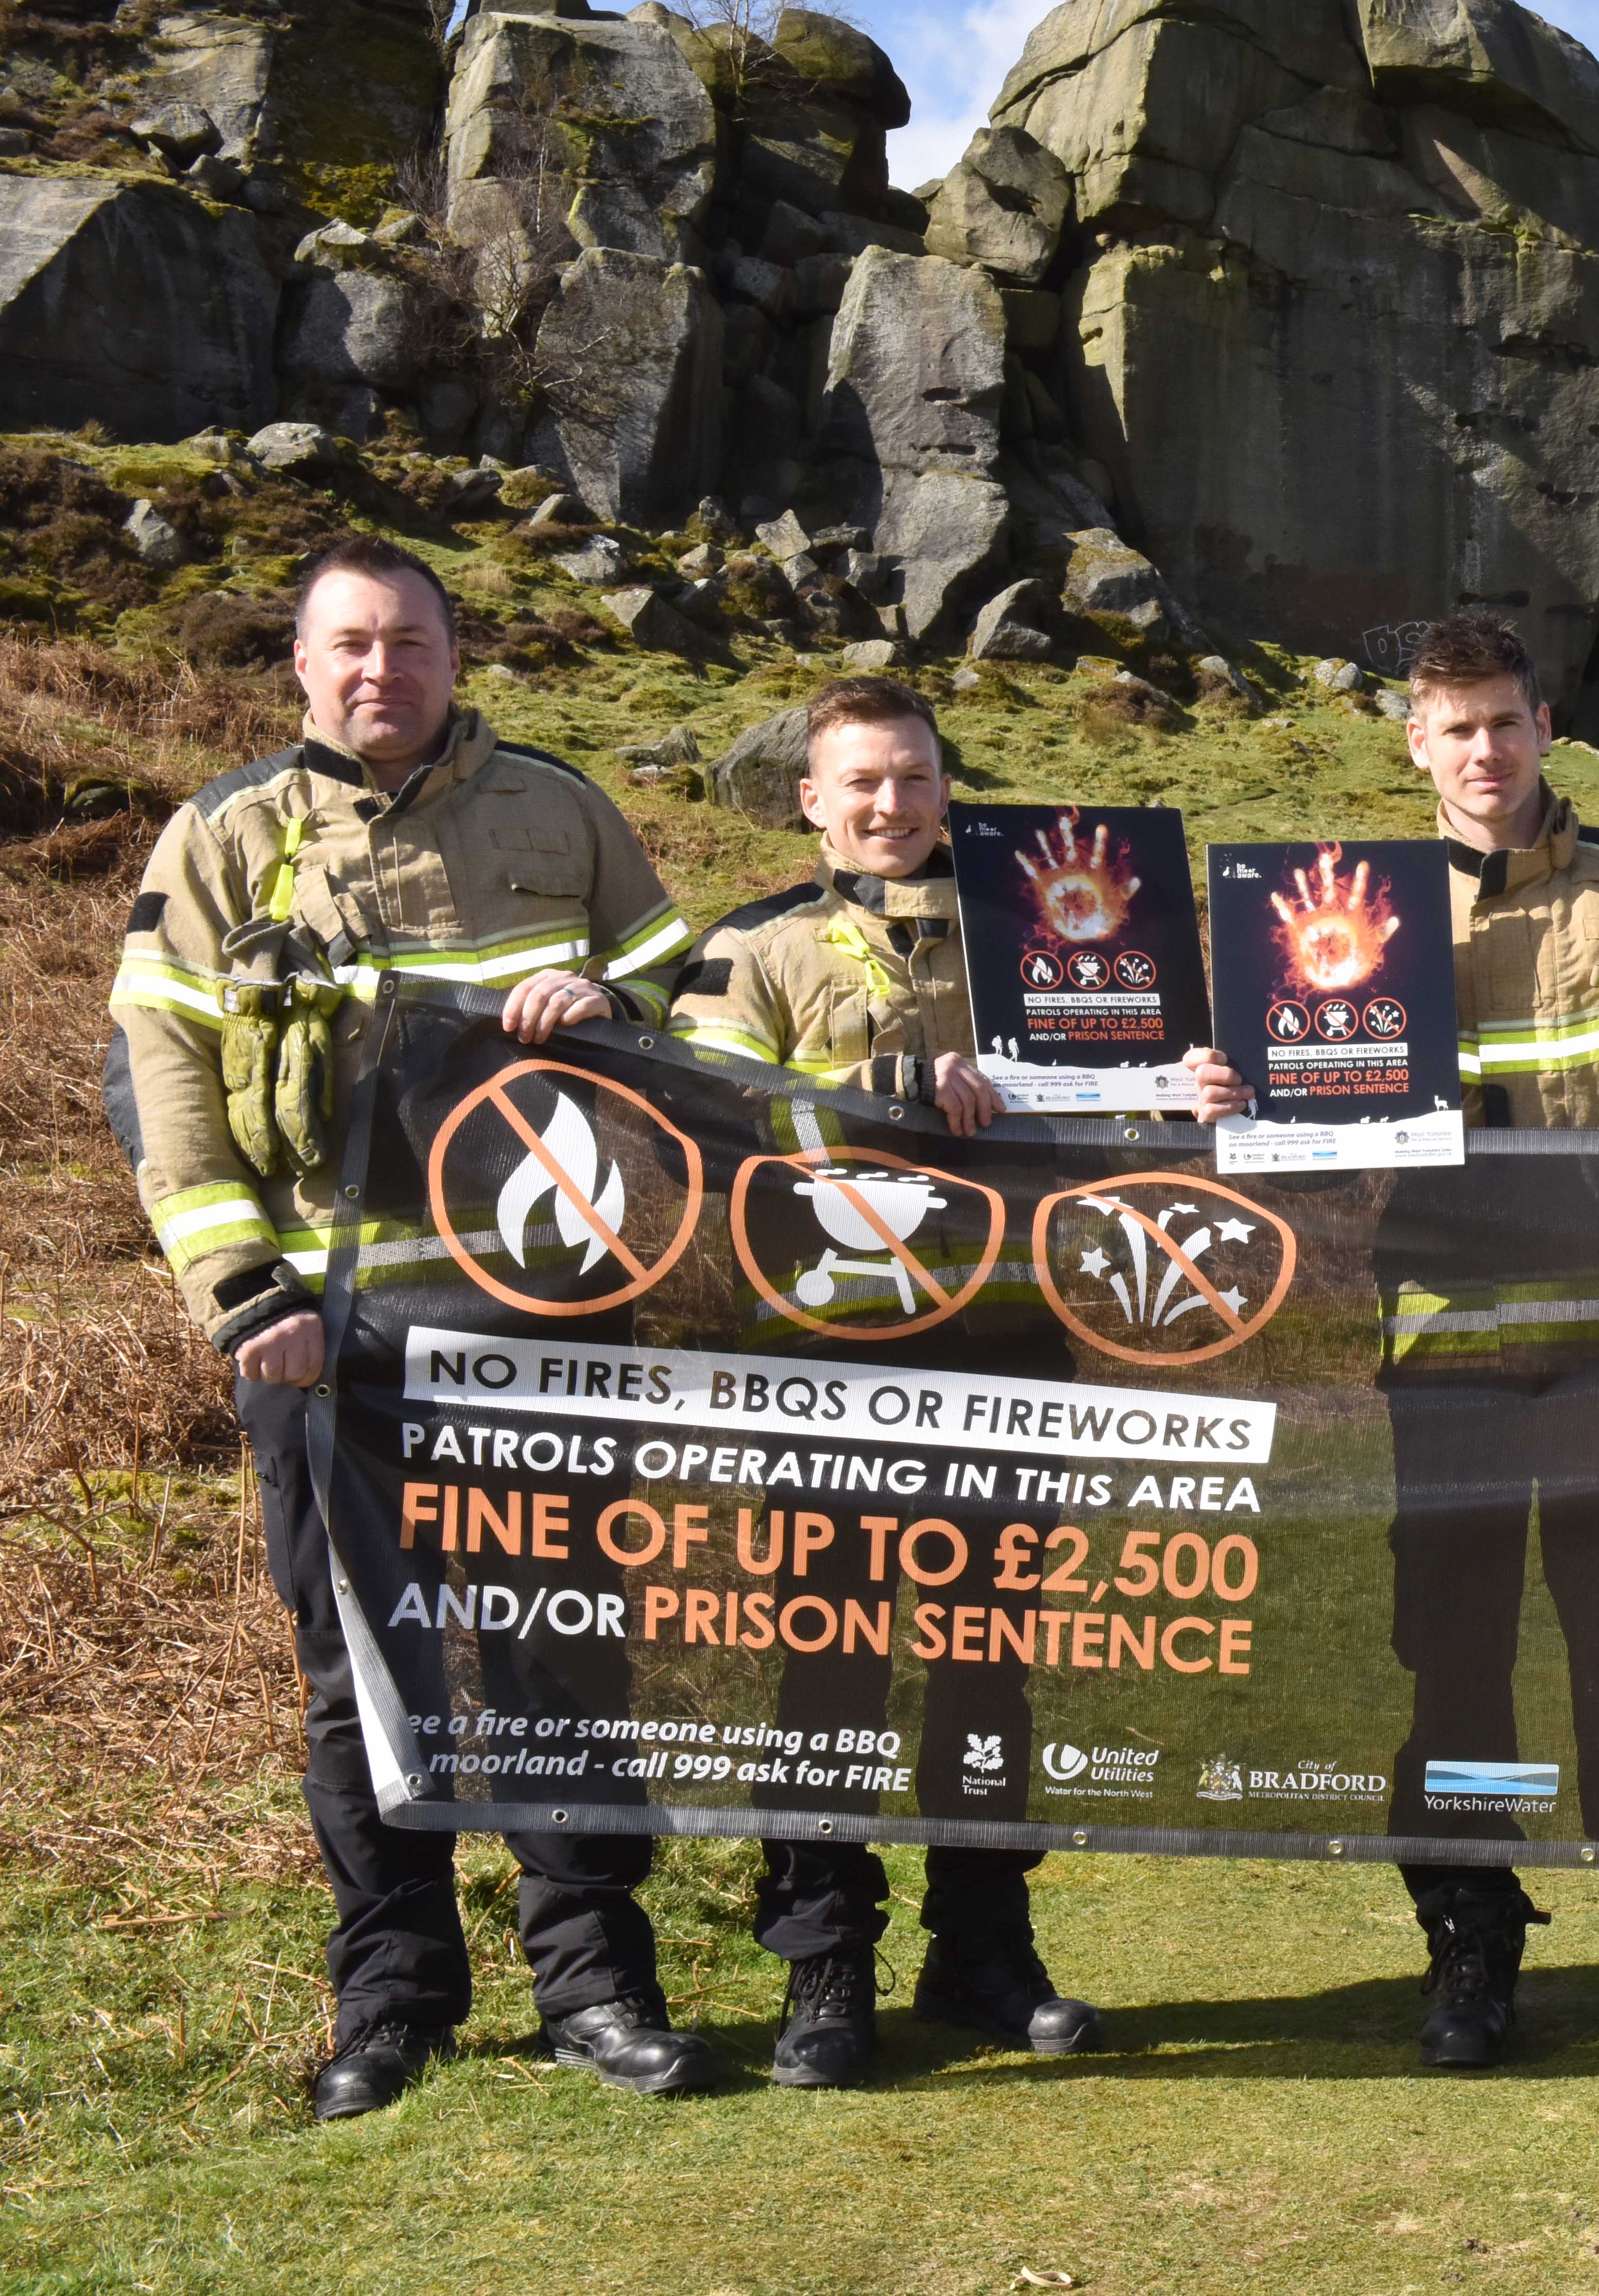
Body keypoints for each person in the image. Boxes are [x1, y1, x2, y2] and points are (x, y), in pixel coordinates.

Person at [104, 534, 713, 2120]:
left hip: (538, 1321)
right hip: (326, 1334)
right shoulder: (225, 837)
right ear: (303, 665)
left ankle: (597, 1984)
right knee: (359, 1671)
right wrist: (247, 1295)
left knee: (559, 1650)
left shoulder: (564, 812)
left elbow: (696, 1008)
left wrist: (623, 1019)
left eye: (415, 643)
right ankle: (391, 1998)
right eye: (352, 645)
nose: (386, 670)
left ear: (458, 656)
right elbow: (160, 1085)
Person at [1189, 616, 1599, 2070]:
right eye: (1452, 729)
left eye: (1504, 723)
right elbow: (1295, 1171)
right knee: (1456, 1667)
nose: (1483, 752)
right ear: (1414, 743)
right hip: (1443, 1353)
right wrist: (1224, 1100)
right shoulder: (1334, 918)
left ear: (1544, 724)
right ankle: (1472, 1946)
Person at [670, 676, 1105, 2088]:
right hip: (831, 1356)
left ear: (943, 785)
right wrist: (899, 1088)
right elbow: (705, 1127)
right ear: (810, 798)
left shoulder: (1038, 930)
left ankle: (984, 1949)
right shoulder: (752, 947)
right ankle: (824, 1966)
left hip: (1006, 1340)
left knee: (991, 1661)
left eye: (915, 778)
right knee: (831, 1661)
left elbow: (1120, 1092)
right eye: (861, 782)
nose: (891, 806)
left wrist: (1187, 1085)